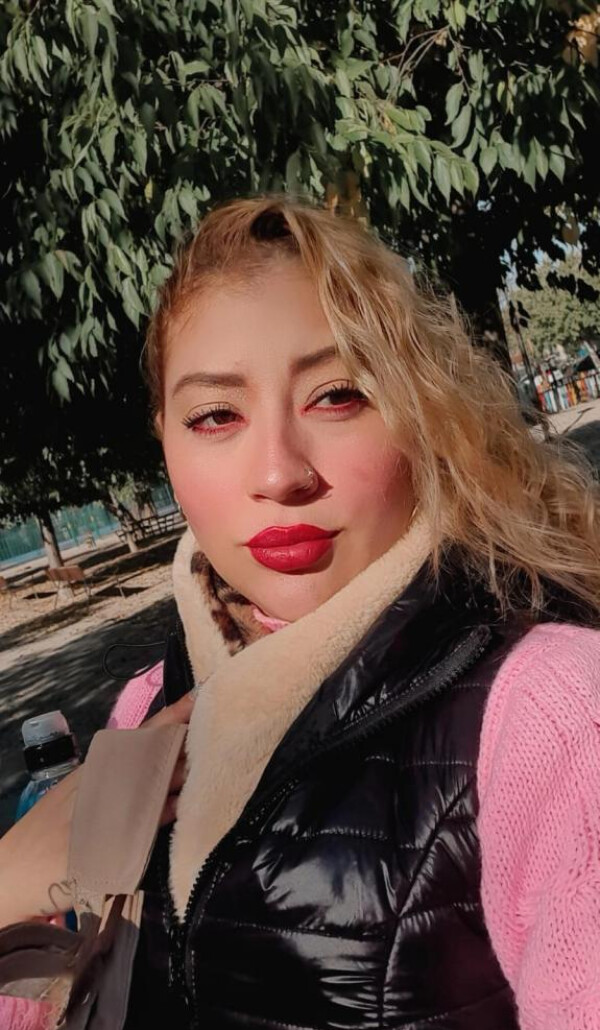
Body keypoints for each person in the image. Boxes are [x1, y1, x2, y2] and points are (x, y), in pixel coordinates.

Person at [1, 196, 600, 1030]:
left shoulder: (549, 711)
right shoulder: (146, 708)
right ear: (165, 440)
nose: (281, 473)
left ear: (419, 411)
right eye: (216, 415)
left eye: (337, 396)